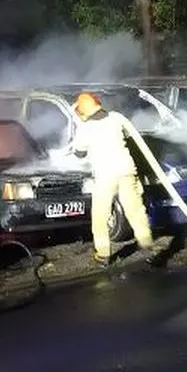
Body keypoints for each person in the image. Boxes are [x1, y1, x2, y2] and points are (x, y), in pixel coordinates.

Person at [70, 91, 156, 266]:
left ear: (83, 112)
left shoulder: (85, 128)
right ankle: (147, 247)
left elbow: (79, 152)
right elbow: (130, 135)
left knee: (100, 215)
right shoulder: (116, 118)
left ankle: (103, 255)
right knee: (135, 210)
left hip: (105, 175)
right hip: (126, 170)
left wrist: (78, 121)